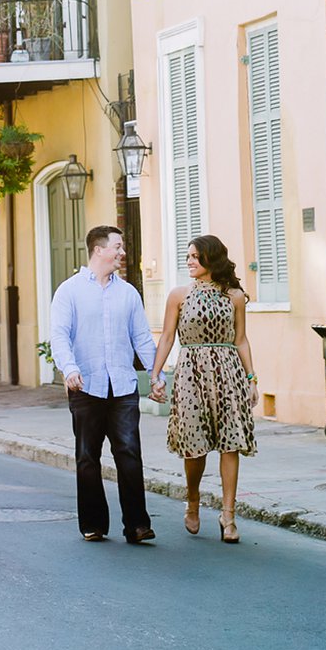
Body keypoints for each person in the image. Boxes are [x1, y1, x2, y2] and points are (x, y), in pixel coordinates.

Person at [49, 224, 158, 545]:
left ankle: (137, 525)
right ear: (99, 250)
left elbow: (141, 337)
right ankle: (93, 524)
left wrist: (156, 374)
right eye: (118, 247)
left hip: (122, 385)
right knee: (87, 456)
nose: (122, 253)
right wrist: (68, 368)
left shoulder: (128, 293)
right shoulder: (69, 291)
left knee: (129, 453)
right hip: (85, 386)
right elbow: (59, 335)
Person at [150, 235, 258, 544]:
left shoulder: (235, 296)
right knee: (194, 445)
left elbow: (241, 339)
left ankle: (228, 515)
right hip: (191, 373)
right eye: (188, 256)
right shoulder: (178, 295)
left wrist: (252, 379)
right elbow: (168, 337)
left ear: (211, 259)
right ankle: (193, 501)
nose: (189, 261)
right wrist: (156, 375)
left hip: (228, 372)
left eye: (195, 256)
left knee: (230, 442)